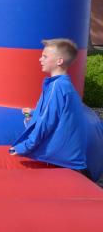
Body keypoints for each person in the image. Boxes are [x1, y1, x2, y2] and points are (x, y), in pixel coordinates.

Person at [9, 38, 90, 177]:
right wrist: (33, 114)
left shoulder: (56, 86)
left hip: (64, 163)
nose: (40, 59)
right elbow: (58, 116)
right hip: (70, 161)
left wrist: (24, 147)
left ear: (59, 61)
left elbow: (46, 122)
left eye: (45, 56)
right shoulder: (62, 84)